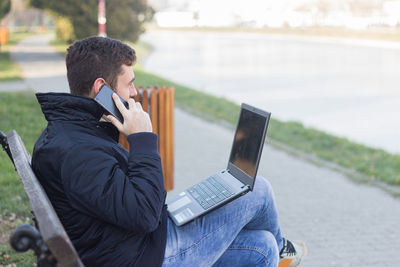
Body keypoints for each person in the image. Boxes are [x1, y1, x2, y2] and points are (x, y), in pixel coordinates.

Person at [32, 36, 306, 267]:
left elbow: (130, 203)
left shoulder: (73, 133)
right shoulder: (78, 152)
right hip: (143, 256)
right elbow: (145, 215)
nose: (135, 92)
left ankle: (279, 250)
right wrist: (142, 139)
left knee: (262, 245)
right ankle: (285, 251)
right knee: (257, 190)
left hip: (132, 242)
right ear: (102, 88)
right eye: (129, 83)